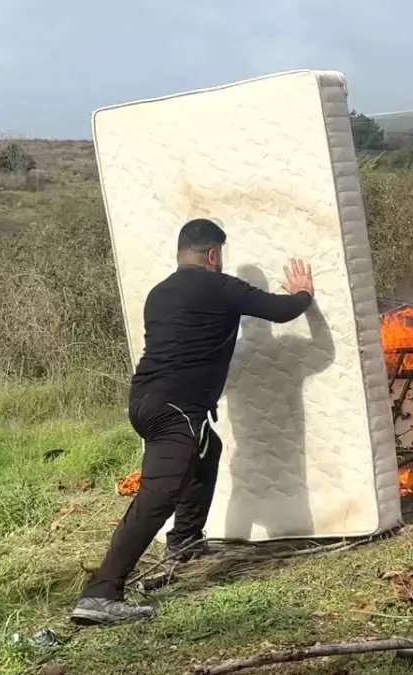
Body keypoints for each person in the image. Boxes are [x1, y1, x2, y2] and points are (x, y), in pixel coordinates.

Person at [71, 218, 314, 625]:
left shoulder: (159, 293)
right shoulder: (219, 287)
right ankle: (101, 593)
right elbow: (281, 310)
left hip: (144, 402)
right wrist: (303, 292)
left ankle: (184, 544)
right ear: (213, 255)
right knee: (157, 497)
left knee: (207, 451)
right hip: (177, 410)